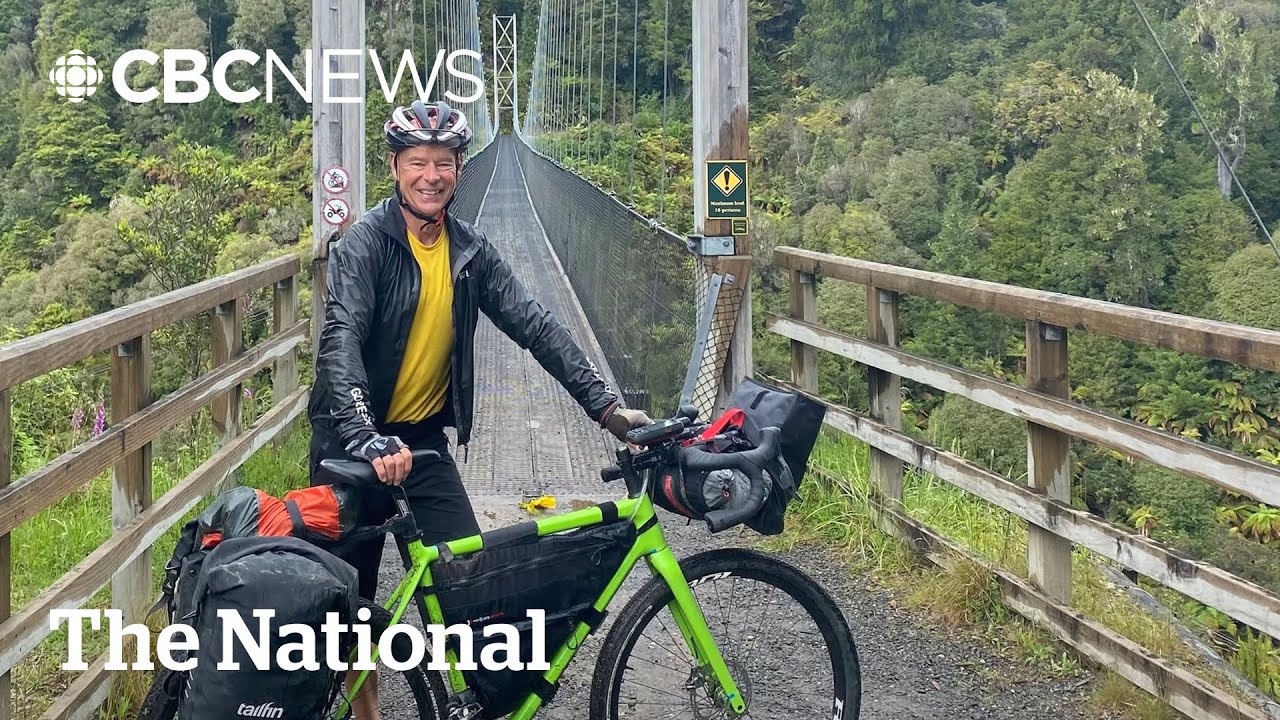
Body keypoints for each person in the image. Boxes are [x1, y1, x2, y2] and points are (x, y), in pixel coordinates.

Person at [306, 100, 650, 718]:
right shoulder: (362, 246)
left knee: (471, 583)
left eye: (443, 162)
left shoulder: (469, 251)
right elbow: (342, 340)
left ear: (461, 169)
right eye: (417, 162)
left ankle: (480, 703)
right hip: (351, 444)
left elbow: (536, 326)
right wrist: (363, 432)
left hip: (422, 444)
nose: (430, 175)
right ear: (394, 167)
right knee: (346, 607)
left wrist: (608, 410)